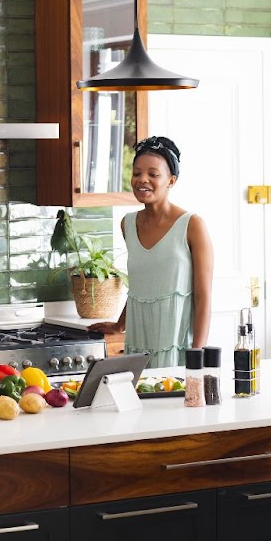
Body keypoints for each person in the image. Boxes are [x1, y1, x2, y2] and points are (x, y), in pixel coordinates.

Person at [88, 135, 213, 368]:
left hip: (177, 342)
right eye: (137, 173)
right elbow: (141, 286)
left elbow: (203, 296)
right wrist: (118, 325)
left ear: (171, 181)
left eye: (153, 174)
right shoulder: (128, 224)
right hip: (139, 341)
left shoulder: (192, 225)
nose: (142, 180)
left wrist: (198, 352)